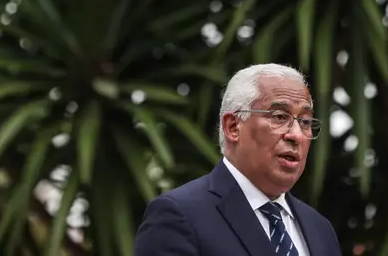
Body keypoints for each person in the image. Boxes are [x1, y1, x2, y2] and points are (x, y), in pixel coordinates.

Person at [133, 63, 341, 255]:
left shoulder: (320, 229)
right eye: (279, 117)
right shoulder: (179, 216)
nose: (296, 135)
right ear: (233, 127)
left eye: (305, 122)